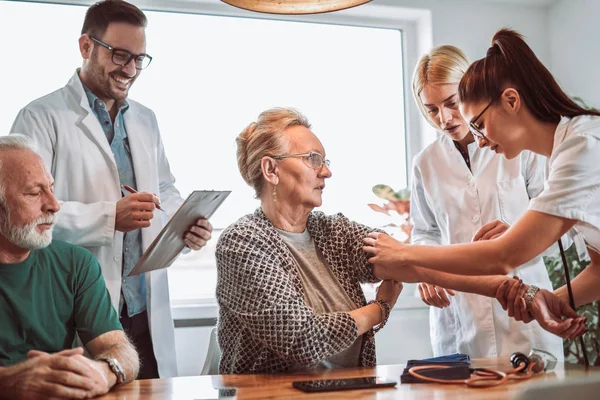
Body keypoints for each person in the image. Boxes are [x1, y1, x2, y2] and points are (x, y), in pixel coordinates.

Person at [10, 0, 213, 378]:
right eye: (120, 55)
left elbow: (164, 188)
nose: (131, 69)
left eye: (140, 58)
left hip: (143, 308)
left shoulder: (146, 120)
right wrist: (108, 218)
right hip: (84, 305)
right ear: (86, 47)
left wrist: (183, 225)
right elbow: (27, 210)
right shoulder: (41, 117)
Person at [363, 28, 599, 338]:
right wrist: (547, 302)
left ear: (510, 100)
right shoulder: (566, 149)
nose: (480, 140)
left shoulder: (581, 147)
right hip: (464, 318)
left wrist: (403, 255)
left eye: (480, 124)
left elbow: (505, 255)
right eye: (432, 109)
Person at [216, 107, 403, 374]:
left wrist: (465, 273)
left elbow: (397, 257)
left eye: (325, 161)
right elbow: (303, 339)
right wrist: (379, 309)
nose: (326, 172)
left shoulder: (329, 230)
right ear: (271, 169)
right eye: (313, 159)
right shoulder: (242, 243)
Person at [409, 45, 562, 359]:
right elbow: (425, 232)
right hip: (459, 314)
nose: (445, 118)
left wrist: (519, 233)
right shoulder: (425, 163)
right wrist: (425, 270)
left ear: (470, 88)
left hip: (522, 303)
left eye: (451, 103)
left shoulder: (522, 145)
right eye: (432, 109)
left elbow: (561, 223)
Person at [0, 135, 139, 399]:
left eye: (51, 188)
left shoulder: (75, 264)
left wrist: (105, 371)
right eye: (33, 193)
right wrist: (8, 382)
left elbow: (119, 348)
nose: (54, 205)